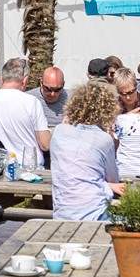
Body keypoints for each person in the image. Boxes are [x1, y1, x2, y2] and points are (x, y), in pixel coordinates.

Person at [49, 81, 127, 221]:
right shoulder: (103, 139)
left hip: (62, 213)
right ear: (108, 110)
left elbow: (74, 175)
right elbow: (113, 178)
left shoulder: (58, 132)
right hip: (95, 214)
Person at [0, 56, 51, 169]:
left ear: (2, 79)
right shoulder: (32, 102)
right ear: (25, 80)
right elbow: (45, 144)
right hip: (28, 170)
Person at [34, 65, 68, 133]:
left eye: (57, 89)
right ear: (41, 83)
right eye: (48, 89)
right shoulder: (29, 99)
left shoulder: (73, 100)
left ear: (63, 84)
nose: (52, 94)